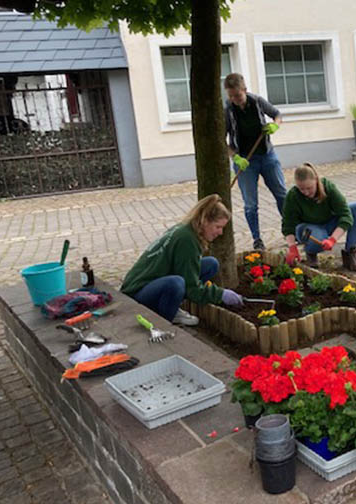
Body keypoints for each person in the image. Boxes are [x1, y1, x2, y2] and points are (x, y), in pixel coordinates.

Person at [120, 194, 245, 326]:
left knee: (211, 264)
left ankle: (171, 304)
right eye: (218, 227)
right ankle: (164, 321)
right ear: (205, 221)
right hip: (136, 294)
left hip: (154, 281)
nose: (220, 232)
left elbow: (188, 273)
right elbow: (192, 288)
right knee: (176, 283)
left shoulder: (187, 229)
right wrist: (220, 295)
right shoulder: (187, 240)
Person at [224, 73, 286, 251]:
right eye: (230, 96)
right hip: (244, 161)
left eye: (237, 95)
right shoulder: (227, 110)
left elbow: (277, 115)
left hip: (267, 156)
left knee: (282, 194)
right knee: (251, 204)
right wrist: (235, 157)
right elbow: (222, 140)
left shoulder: (257, 101)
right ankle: (257, 240)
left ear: (244, 90)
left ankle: (290, 230)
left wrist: (275, 125)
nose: (234, 99)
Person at [282, 162, 356, 271]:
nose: (306, 192)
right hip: (307, 229)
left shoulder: (328, 188)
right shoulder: (293, 196)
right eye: (301, 189)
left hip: (329, 223)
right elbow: (288, 224)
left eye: (309, 188)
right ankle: (311, 253)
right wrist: (292, 248)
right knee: (317, 238)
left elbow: (345, 215)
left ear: (316, 180)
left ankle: (349, 253)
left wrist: (332, 239)